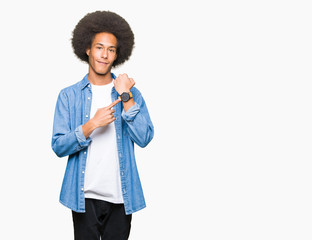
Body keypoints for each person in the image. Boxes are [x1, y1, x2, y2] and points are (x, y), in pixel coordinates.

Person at [51, 10, 154, 240]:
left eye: (111, 49)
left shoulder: (130, 92)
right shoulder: (69, 96)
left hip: (121, 197)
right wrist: (91, 125)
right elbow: (58, 146)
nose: (104, 55)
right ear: (88, 49)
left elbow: (145, 137)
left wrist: (126, 96)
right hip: (83, 196)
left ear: (117, 54)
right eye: (99, 47)